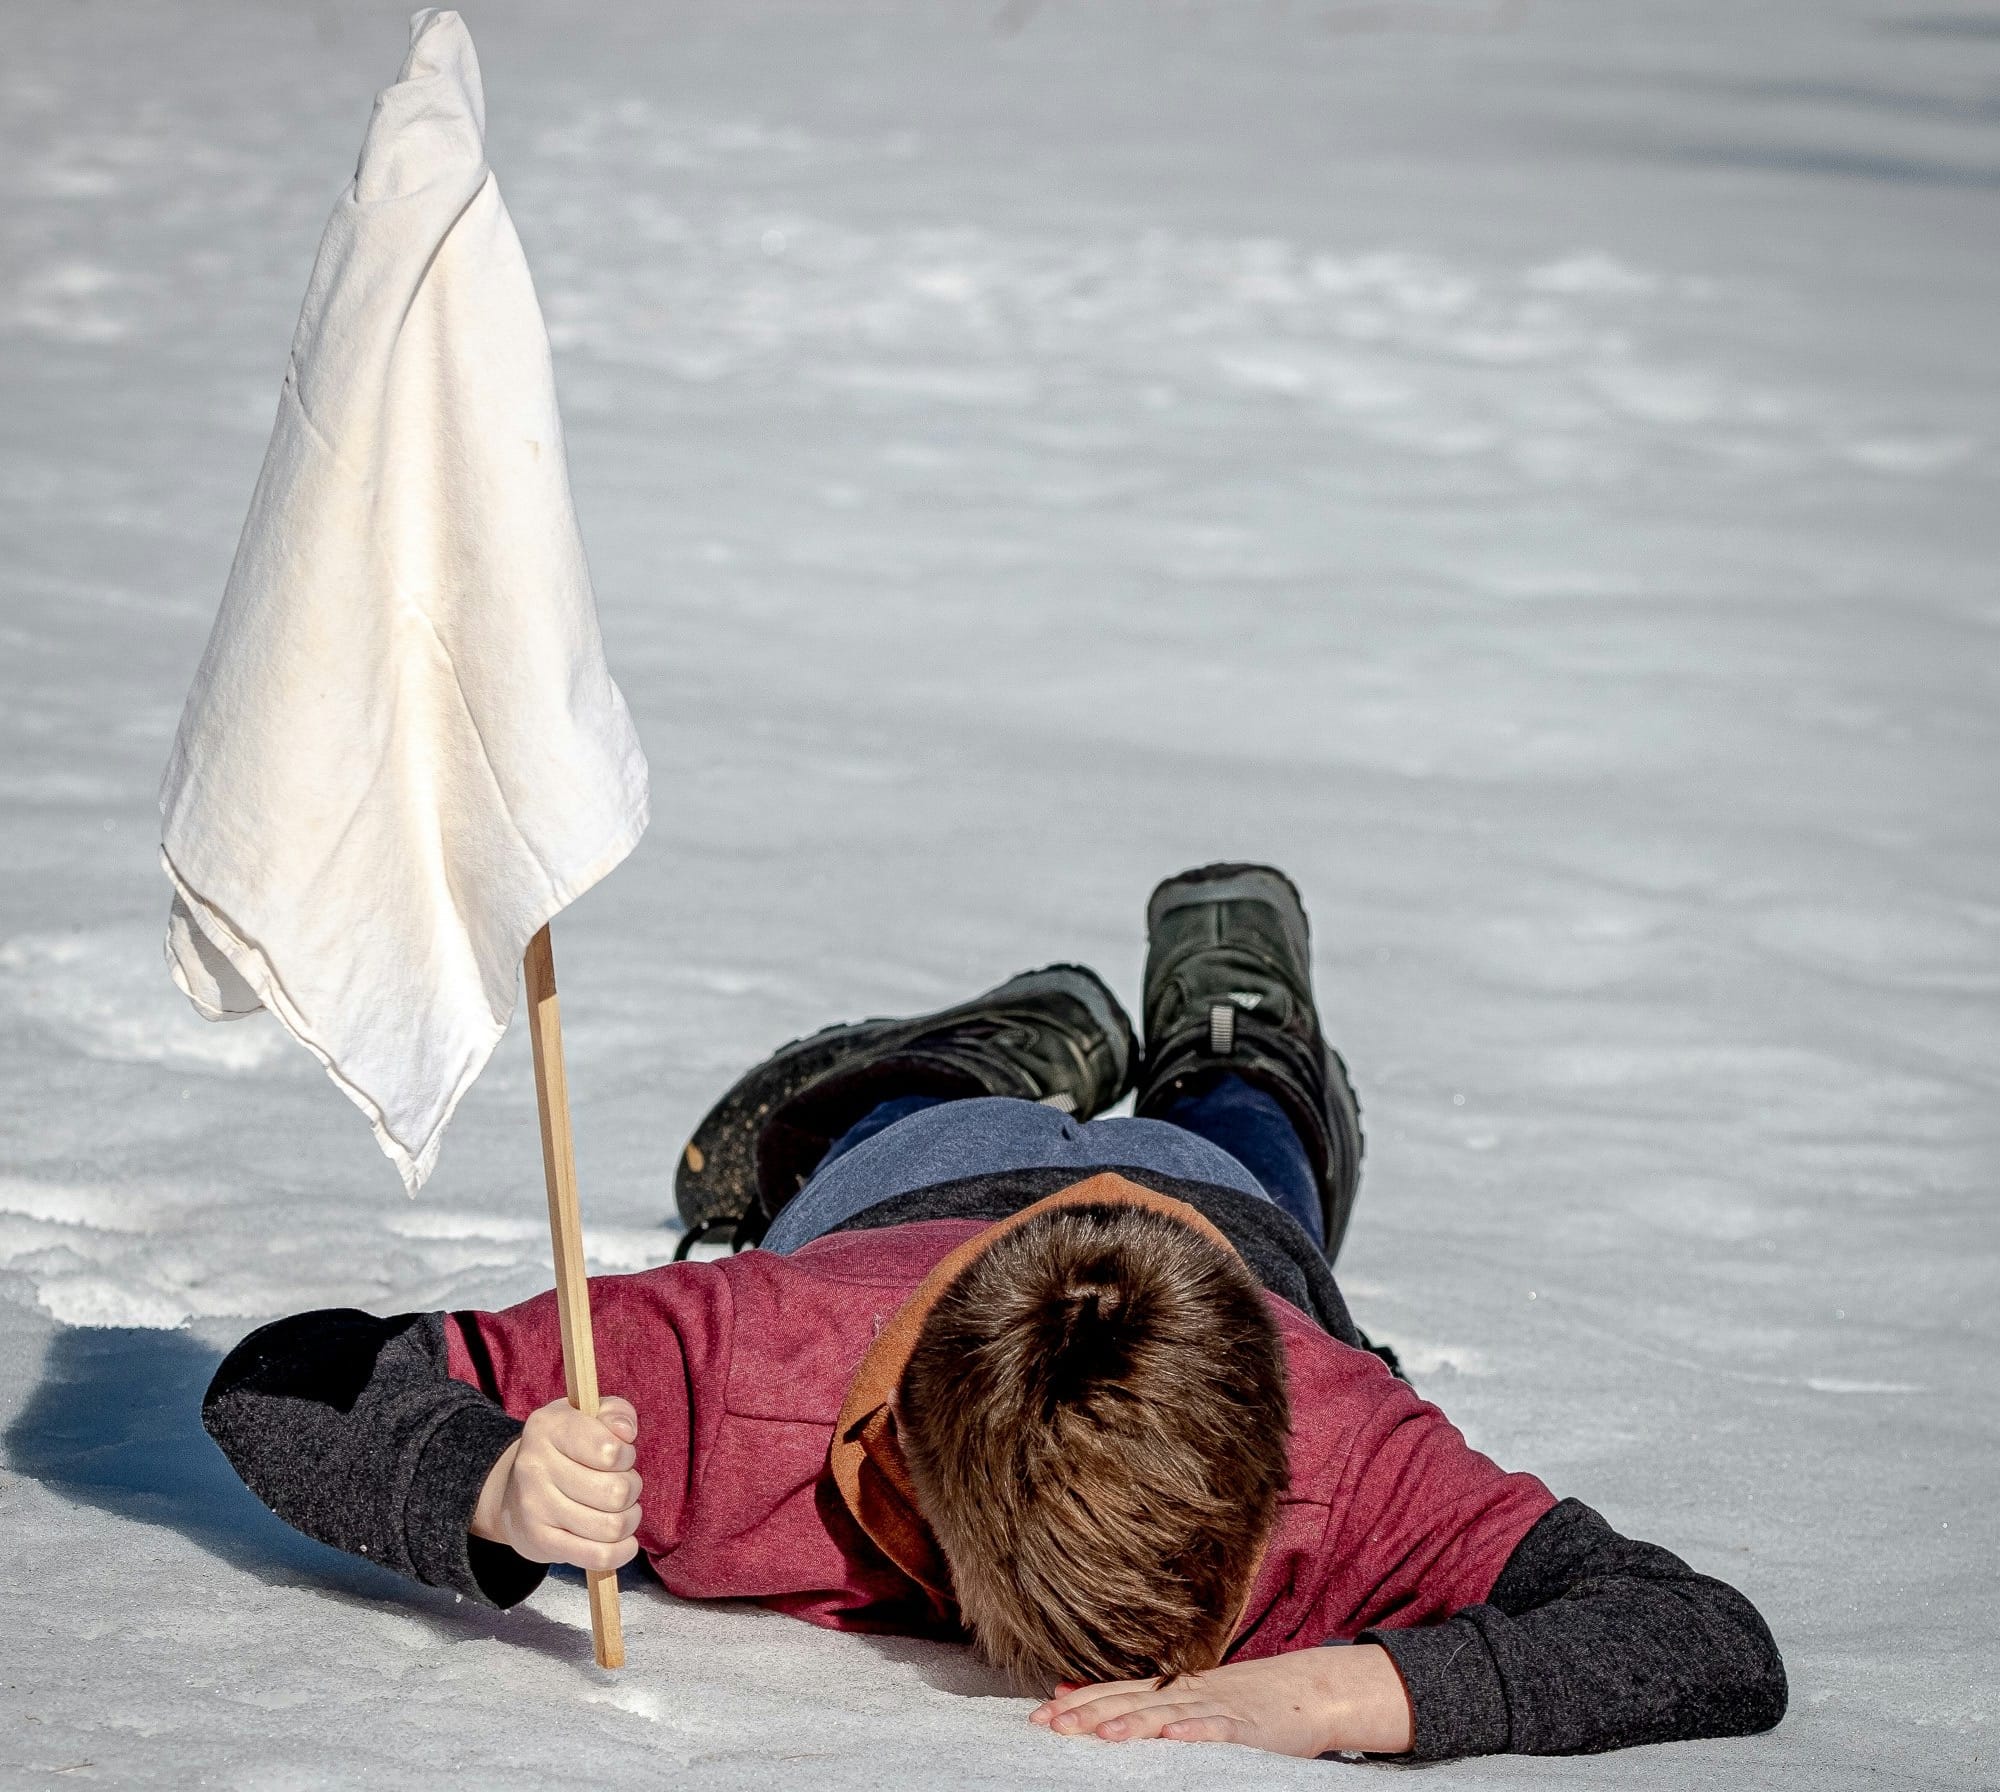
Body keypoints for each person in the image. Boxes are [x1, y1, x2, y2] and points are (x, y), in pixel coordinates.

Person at [204, 864, 1786, 1761]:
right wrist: (488, 1479)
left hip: (1213, 1217)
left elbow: (1706, 1639)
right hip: (916, 1186)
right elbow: (287, 1377)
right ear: (928, 1498)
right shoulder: (731, 1374)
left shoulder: (1354, 1455)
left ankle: (1240, 1032)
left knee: (1245, 1125)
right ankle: (999, 1049)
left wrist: (1347, 1687)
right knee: (870, 1126)